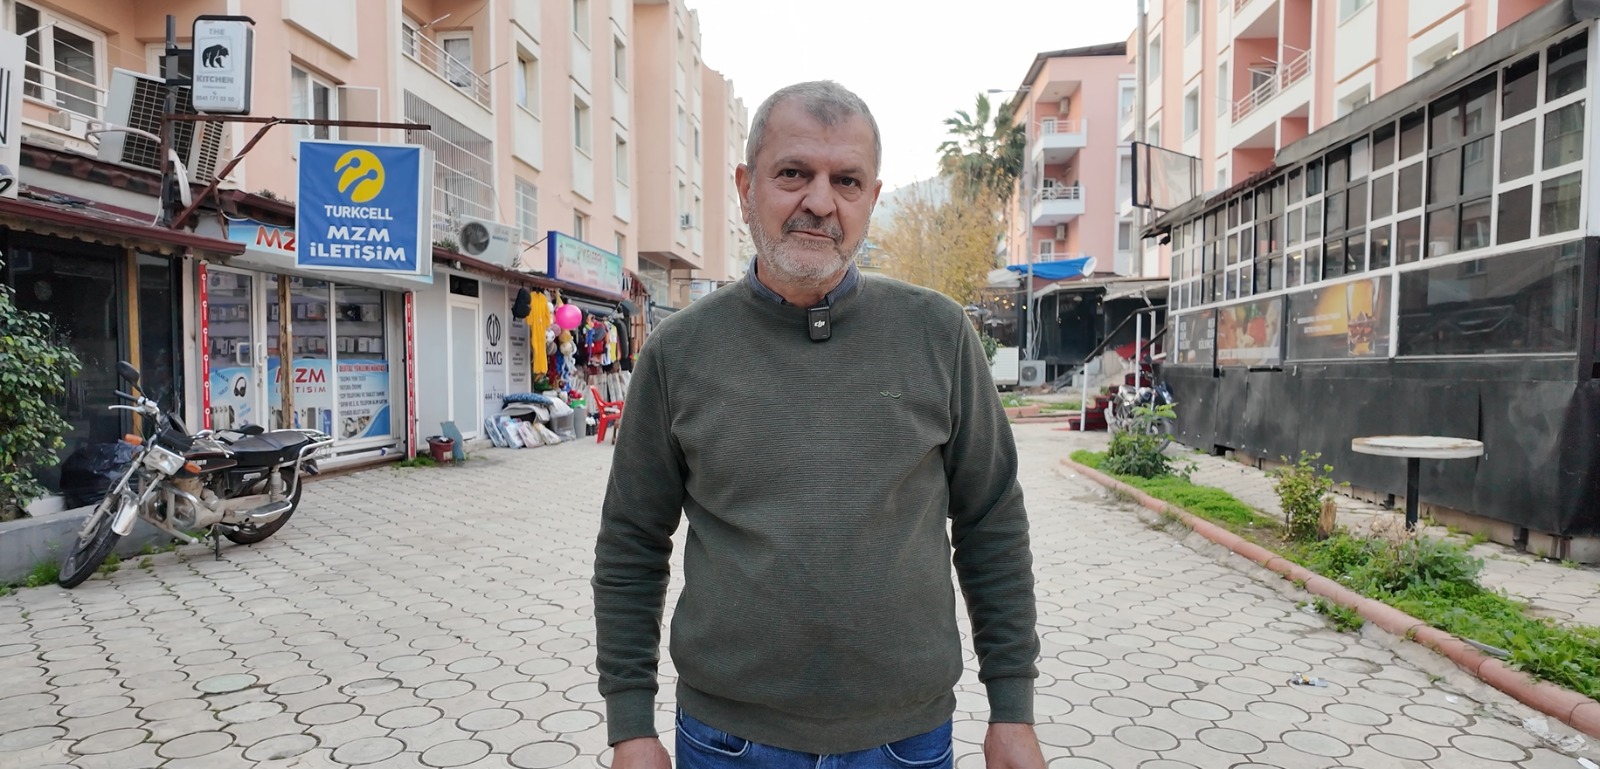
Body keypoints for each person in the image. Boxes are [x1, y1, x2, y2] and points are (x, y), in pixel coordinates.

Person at [593, 80, 1045, 769]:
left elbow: (992, 522)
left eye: (847, 181)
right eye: (793, 173)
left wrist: (1012, 709)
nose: (821, 201)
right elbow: (632, 540)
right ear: (745, 186)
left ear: (872, 197)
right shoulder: (679, 352)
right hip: (727, 741)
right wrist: (630, 725)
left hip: (904, 741)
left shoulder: (939, 334)